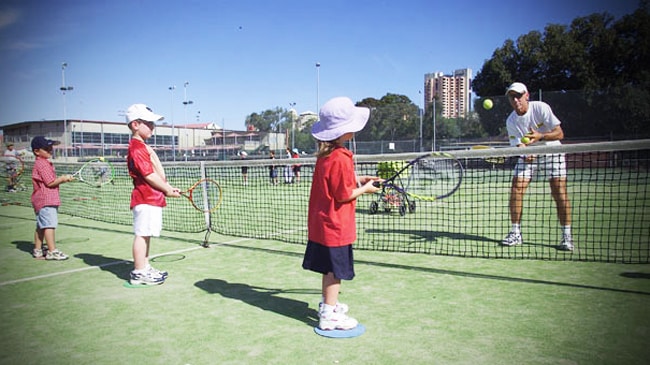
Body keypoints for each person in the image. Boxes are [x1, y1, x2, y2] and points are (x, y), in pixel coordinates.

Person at [302, 96, 381, 330]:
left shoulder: (325, 157)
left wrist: (360, 179)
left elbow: (335, 183)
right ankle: (328, 315)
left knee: (330, 270)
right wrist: (365, 189)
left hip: (323, 225)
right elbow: (343, 195)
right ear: (345, 131)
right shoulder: (340, 158)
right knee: (335, 272)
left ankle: (330, 304)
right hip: (335, 227)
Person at [501, 82, 574, 251]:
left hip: (552, 152)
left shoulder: (541, 108)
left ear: (527, 95)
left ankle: (567, 236)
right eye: (512, 97)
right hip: (529, 157)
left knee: (559, 192)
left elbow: (560, 133)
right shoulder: (511, 120)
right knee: (516, 189)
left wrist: (540, 137)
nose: (515, 100)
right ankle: (515, 233)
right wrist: (525, 153)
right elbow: (518, 145)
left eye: (518, 96)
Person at [126, 104, 181, 285]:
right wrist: (166, 190)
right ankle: (139, 272)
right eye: (148, 123)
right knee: (142, 235)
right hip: (145, 198)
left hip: (152, 198)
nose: (152, 126)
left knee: (146, 234)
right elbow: (148, 175)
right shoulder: (137, 148)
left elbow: (155, 174)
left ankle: (145, 266)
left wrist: (168, 187)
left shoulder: (142, 146)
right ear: (135, 124)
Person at [30, 136, 74, 260]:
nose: (50, 150)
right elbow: (50, 182)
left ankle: (38, 250)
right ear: (37, 151)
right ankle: (52, 251)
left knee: (41, 226)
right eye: (46, 148)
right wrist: (63, 179)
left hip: (41, 200)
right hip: (46, 200)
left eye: (50, 147)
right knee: (49, 225)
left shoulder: (42, 163)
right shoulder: (43, 164)